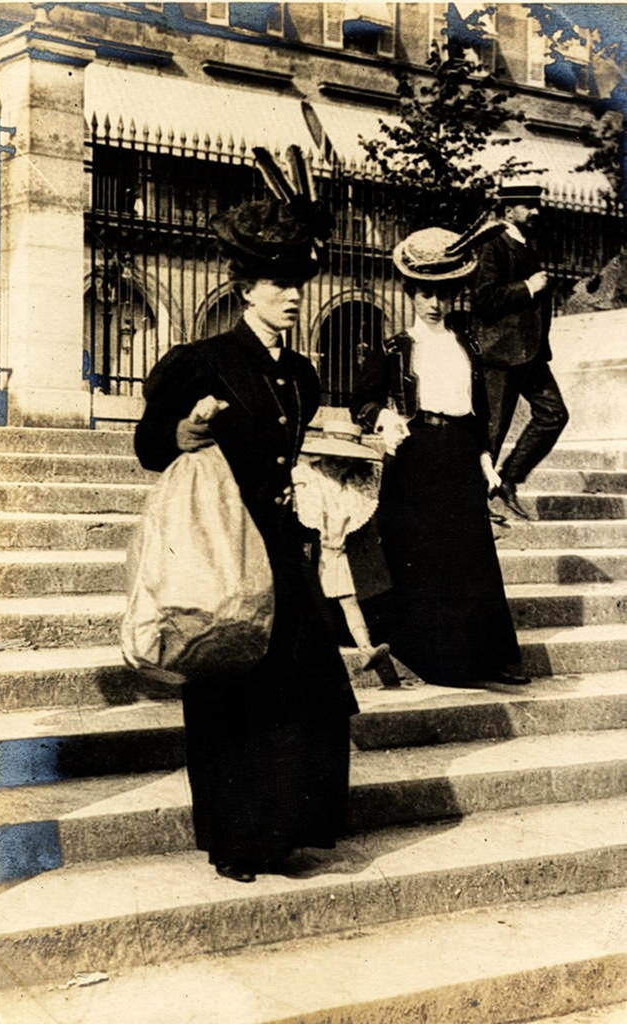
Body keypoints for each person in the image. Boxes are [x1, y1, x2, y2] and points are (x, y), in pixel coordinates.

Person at [134, 167, 358, 884]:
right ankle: (235, 839)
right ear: (244, 288)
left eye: (297, 283)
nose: (290, 296)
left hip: (283, 548)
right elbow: (147, 448)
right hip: (226, 547)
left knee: (304, 690)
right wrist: (187, 431)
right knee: (231, 689)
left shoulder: (301, 373)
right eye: (276, 283)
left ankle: (288, 828)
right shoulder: (202, 361)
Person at [351, 225, 529, 688]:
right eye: (425, 293)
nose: (434, 303)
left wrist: (486, 460)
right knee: (425, 559)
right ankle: (443, 662)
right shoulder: (396, 348)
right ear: (411, 292)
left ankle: (488, 658)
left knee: (470, 559)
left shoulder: (466, 345)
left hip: (459, 455)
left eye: (443, 294)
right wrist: (385, 418)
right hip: (415, 456)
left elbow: (480, 412)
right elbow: (362, 402)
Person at [473, 183, 569, 520]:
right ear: (508, 210)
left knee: (554, 414)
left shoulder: (526, 244)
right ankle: (473, 501)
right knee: (493, 430)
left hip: (531, 353)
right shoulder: (492, 244)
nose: (536, 211)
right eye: (528, 205)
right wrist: (528, 287)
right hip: (500, 352)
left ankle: (509, 480)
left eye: (536, 205)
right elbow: (483, 300)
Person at [292, 419, 401, 688]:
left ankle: (366, 648)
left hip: (337, 554)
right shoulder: (307, 481)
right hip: (316, 556)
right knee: (310, 604)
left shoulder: (354, 486)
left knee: (349, 601)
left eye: (347, 461)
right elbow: (306, 519)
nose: (341, 466)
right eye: (336, 459)